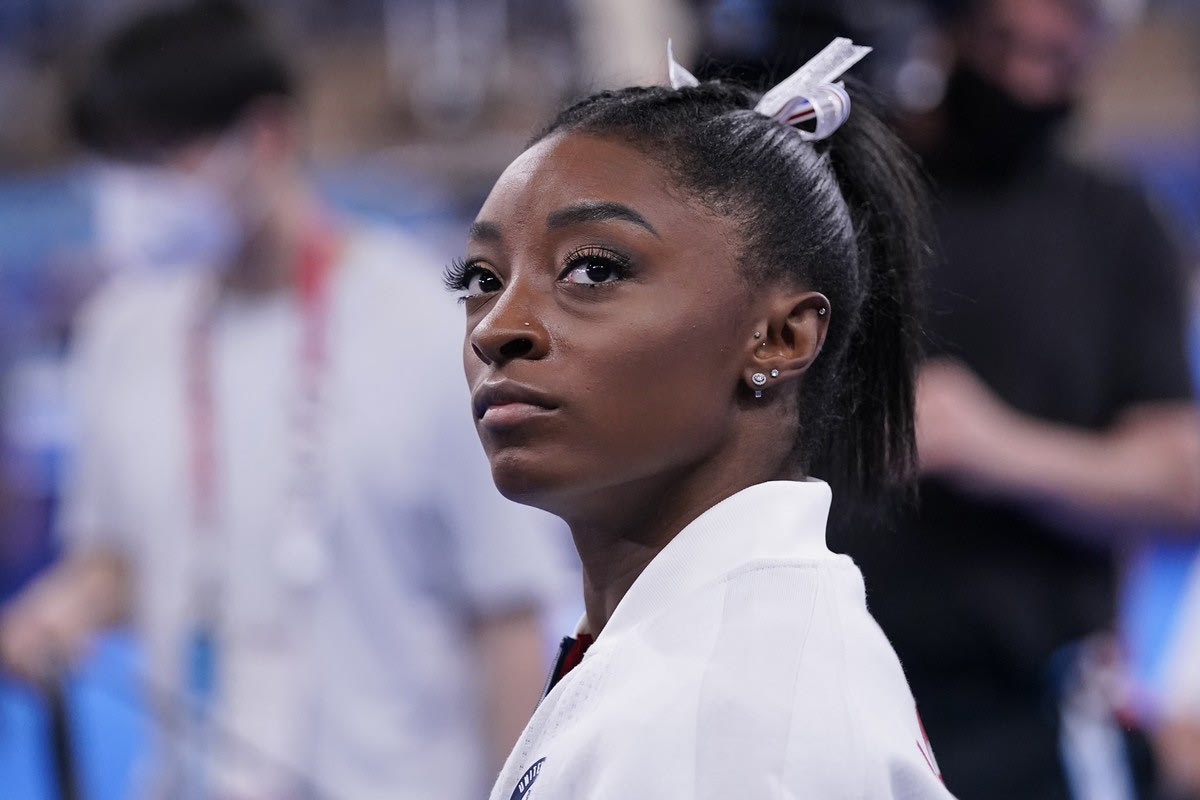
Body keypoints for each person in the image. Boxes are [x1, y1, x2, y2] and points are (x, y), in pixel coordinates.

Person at [0, 2, 562, 798]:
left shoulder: (430, 332)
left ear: (264, 136)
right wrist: (60, 615)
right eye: (118, 166)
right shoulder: (123, 332)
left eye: (160, 159)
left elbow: (505, 615)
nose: (133, 195)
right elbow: (119, 561)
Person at [445, 38, 955, 799]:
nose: (495, 328)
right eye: (482, 279)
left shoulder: (730, 717)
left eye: (593, 269)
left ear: (780, 338)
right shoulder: (682, 661)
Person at [831, 0, 1200, 797]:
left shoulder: (1116, 226)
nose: (1024, 80)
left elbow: (1181, 483)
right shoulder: (852, 195)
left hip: (1026, 704)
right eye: (1003, 44)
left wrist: (992, 447)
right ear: (953, 32)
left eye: (1055, 59)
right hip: (836, 679)